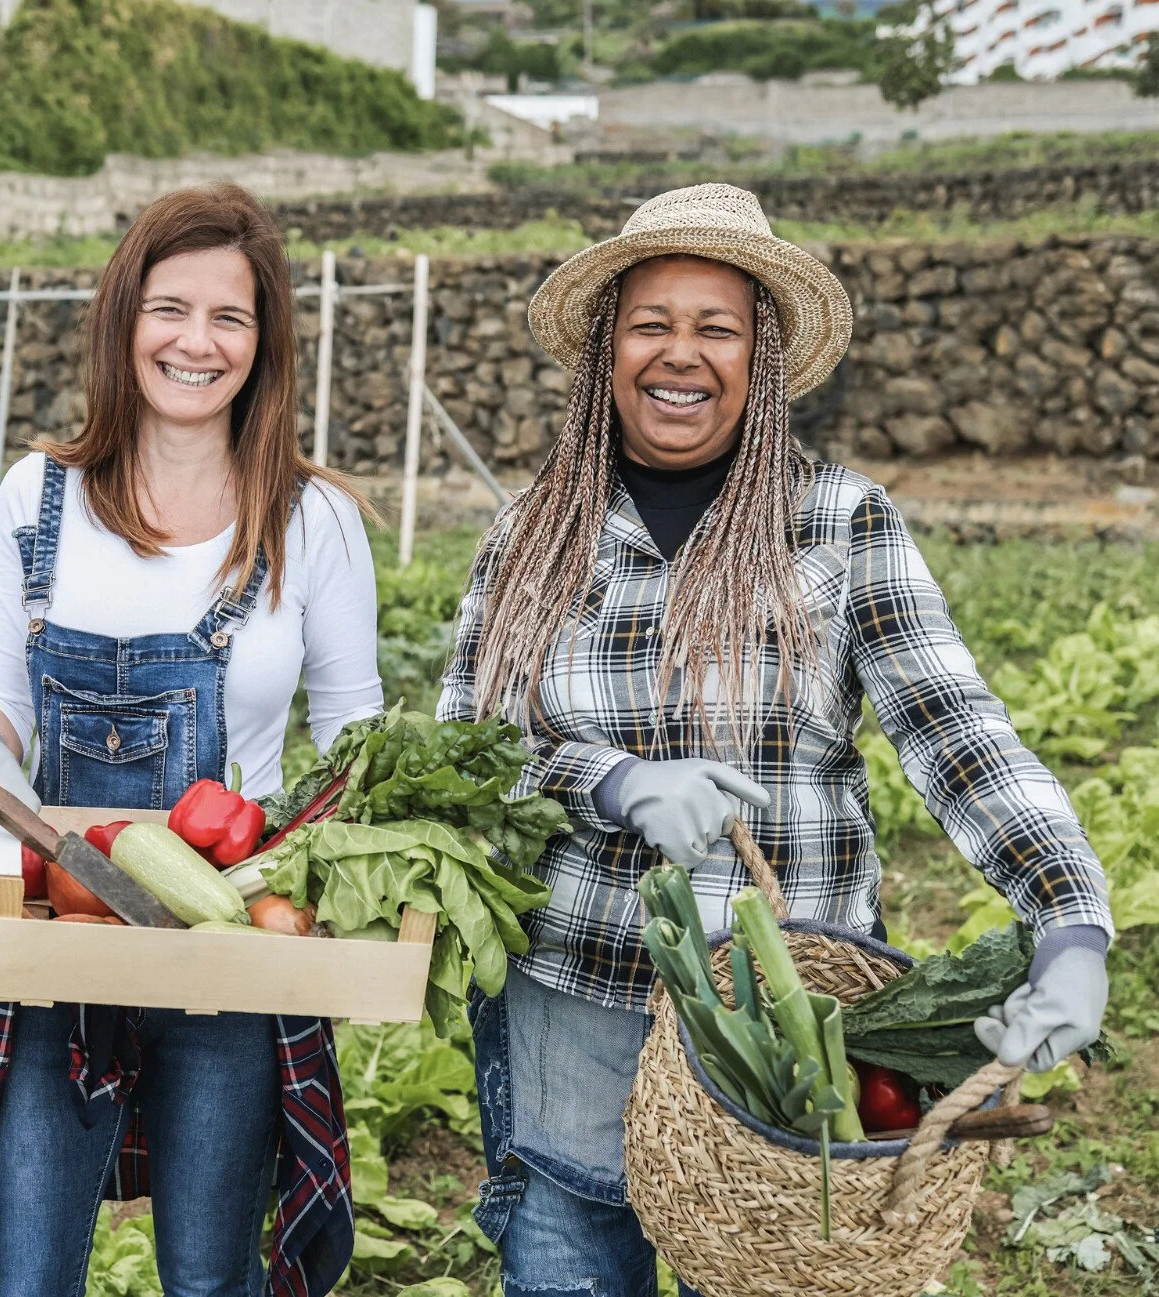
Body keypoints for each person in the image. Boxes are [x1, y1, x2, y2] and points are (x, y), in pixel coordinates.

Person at [437, 184, 1114, 1297]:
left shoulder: (839, 522)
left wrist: (1070, 914)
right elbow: (465, 752)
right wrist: (603, 779)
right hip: (575, 999)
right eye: (652, 323)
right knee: (568, 1261)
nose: (681, 354)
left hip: (788, 1029)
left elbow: (956, 729)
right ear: (607, 351)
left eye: (718, 327)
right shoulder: (528, 534)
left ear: (762, 358)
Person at [0, 184, 383, 1297]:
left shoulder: (312, 521)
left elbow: (357, 738)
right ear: (124, 319)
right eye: (169, 308)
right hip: (54, 937)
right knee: (20, 1278)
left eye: (230, 316)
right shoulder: (38, 500)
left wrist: (311, 879)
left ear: (264, 342)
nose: (196, 341)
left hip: (232, 949)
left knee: (210, 1279)